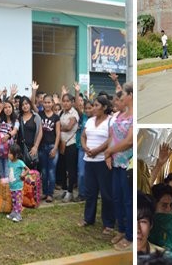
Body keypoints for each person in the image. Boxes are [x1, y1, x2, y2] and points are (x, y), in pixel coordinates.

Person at [79, 95, 114, 234]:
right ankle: (88, 218)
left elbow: (112, 139)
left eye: (96, 105)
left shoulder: (110, 121)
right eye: (93, 105)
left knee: (106, 193)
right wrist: (85, 147)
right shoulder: (89, 121)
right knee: (90, 191)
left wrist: (98, 150)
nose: (93, 108)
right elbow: (83, 136)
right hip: (89, 160)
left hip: (102, 160)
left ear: (105, 107)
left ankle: (108, 223)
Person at [105, 81, 133, 251]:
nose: (118, 99)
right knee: (116, 198)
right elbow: (111, 137)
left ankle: (130, 236)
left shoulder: (134, 116)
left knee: (128, 201)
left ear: (130, 96)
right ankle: (121, 229)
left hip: (127, 165)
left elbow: (129, 142)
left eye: (122, 95)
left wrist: (108, 152)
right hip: (115, 163)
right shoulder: (118, 116)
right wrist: (108, 153)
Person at [37, 94, 60, 203]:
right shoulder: (40, 114)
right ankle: (45, 192)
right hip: (42, 147)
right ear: (42, 103)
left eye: (49, 102)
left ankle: (50, 194)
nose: (47, 104)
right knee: (44, 171)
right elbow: (32, 104)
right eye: (45, 102)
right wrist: (34, 91)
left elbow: (58, 134)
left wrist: (55, 148)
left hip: (52, 146)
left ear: (53, 103)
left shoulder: (56, 117)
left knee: (51, 171)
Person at [58, 93, 79, 202]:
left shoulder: (74, 113)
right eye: (64, 101)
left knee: (71, 169)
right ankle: (65, 189)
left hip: (71, 144)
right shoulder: (61, 112)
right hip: (61, 144)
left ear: (72, 102)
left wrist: (58, 128)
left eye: (67, 101)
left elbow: (69, 127)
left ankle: (70, 191)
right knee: (62, 168)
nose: (65, 103)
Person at [0, 99, 19, 182]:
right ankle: (4, 191)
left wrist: (8, 136)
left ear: (12, 108)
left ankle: (8, 191)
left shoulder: (16, 121)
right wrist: (0, 109)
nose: (7, 109)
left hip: (9, 152)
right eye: (5, 108)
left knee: (8, 173)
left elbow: (15, 130)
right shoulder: (1, 119)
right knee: (1, 173)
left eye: (9, 107)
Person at [6, 144, 30, 222]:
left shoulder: (20, 162)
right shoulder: (9, 162)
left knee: (18, 200)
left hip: (18, 186)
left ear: (15, 155)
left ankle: (18, 215)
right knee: (14, 200)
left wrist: (23, 174)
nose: (8, 154)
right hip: (12, 186)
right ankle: (14, 212)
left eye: (10, 153)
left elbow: (27, 169)